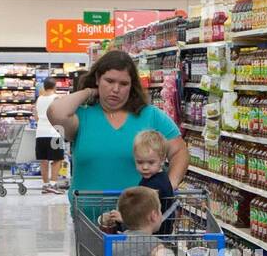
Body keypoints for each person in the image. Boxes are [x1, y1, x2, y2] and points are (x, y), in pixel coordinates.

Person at [46, 50, 187, 199]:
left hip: (139, 217)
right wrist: (89, 92)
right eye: (109, 81)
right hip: (88, 217)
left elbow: (179, 151)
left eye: (124, 83)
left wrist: (168, 186)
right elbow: (56, 112)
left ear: (132, 86)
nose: (116, 89)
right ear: (97, 79)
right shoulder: (82, 115)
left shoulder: (150, 115)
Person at [98, 129, 176, 234]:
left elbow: (143, 212)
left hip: (155, 233)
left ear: (162, 160)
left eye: (151, 162)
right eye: (140, 162)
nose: (145, 167)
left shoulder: (156, 185)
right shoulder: (154, 177)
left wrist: (124, 218)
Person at [34, 77, 65, 194]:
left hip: (40, 133)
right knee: (57, 159)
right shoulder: (56, 98)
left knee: (43, 160)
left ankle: (45, 185)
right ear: (55, 87)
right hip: (55, 132)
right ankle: (53, 184)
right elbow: (61, 115)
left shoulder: (39, 99)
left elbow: (36, 116)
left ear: (44, 87)